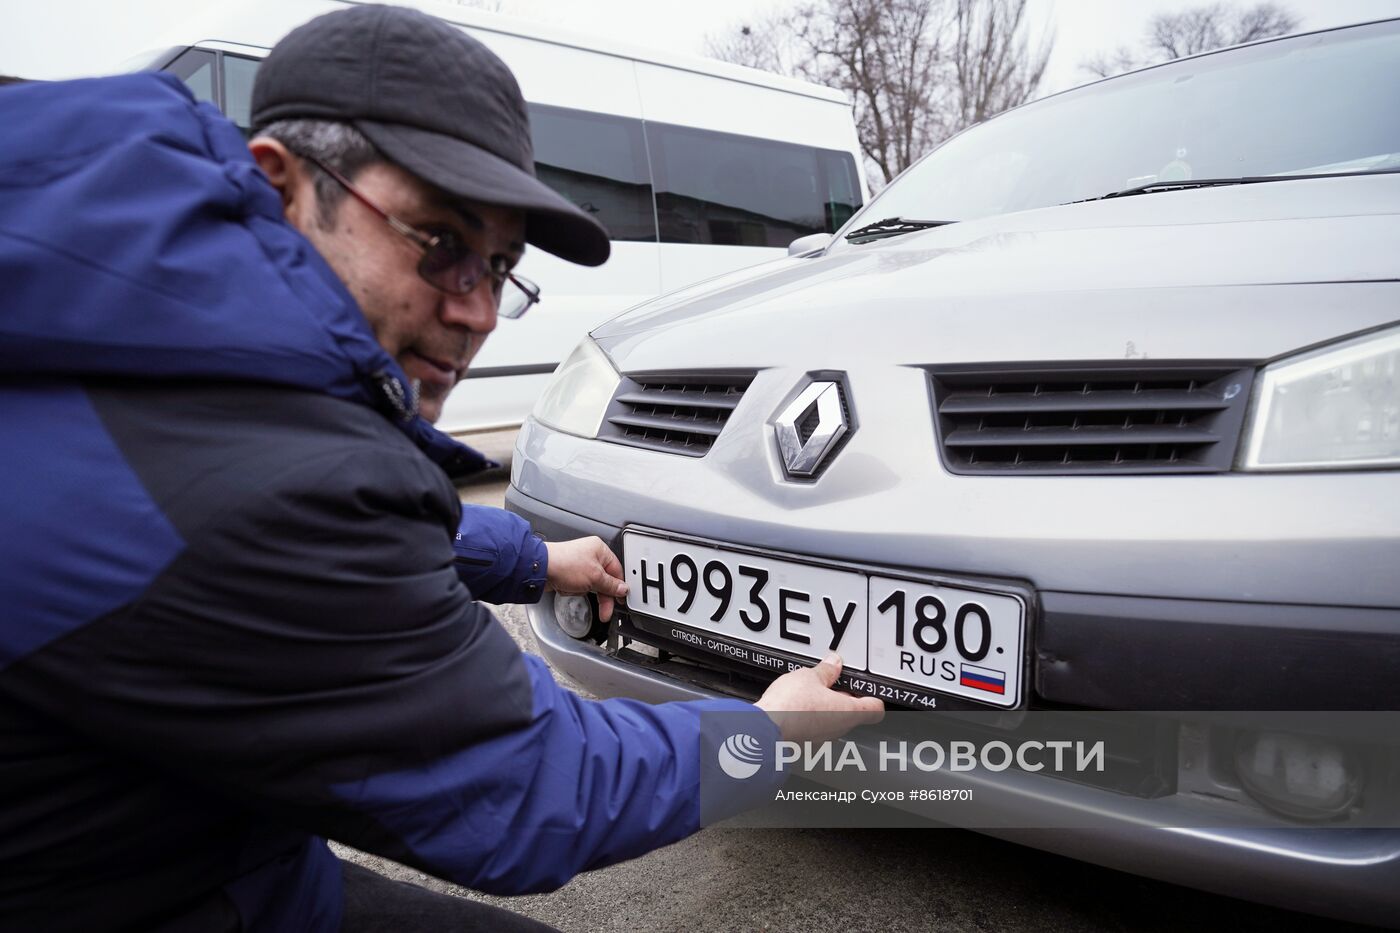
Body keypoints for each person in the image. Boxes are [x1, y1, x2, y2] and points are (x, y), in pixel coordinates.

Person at [0, 5, 882, 931]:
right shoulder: (257, 484)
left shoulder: (123, 326)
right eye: (441, 242)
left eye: (500, 266)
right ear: (284, 185)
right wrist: (770, 735)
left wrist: (537, 561)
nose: (479, 313)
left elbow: (289, 535)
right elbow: (532, 789)